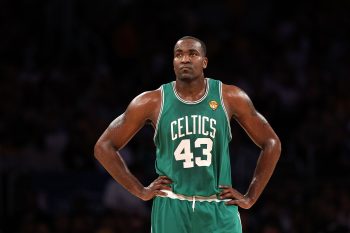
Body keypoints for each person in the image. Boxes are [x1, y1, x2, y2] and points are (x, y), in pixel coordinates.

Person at [94, 36, 281, 233]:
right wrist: (140, 190)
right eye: (179, 55)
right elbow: (103, 147)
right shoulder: (152, 101)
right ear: (173, 63)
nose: (185, 59)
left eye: (192, 54)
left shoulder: (229, 96)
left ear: (204, 62)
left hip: (218, 206)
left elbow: (271, 142)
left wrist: (251, 197)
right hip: (172, 206)